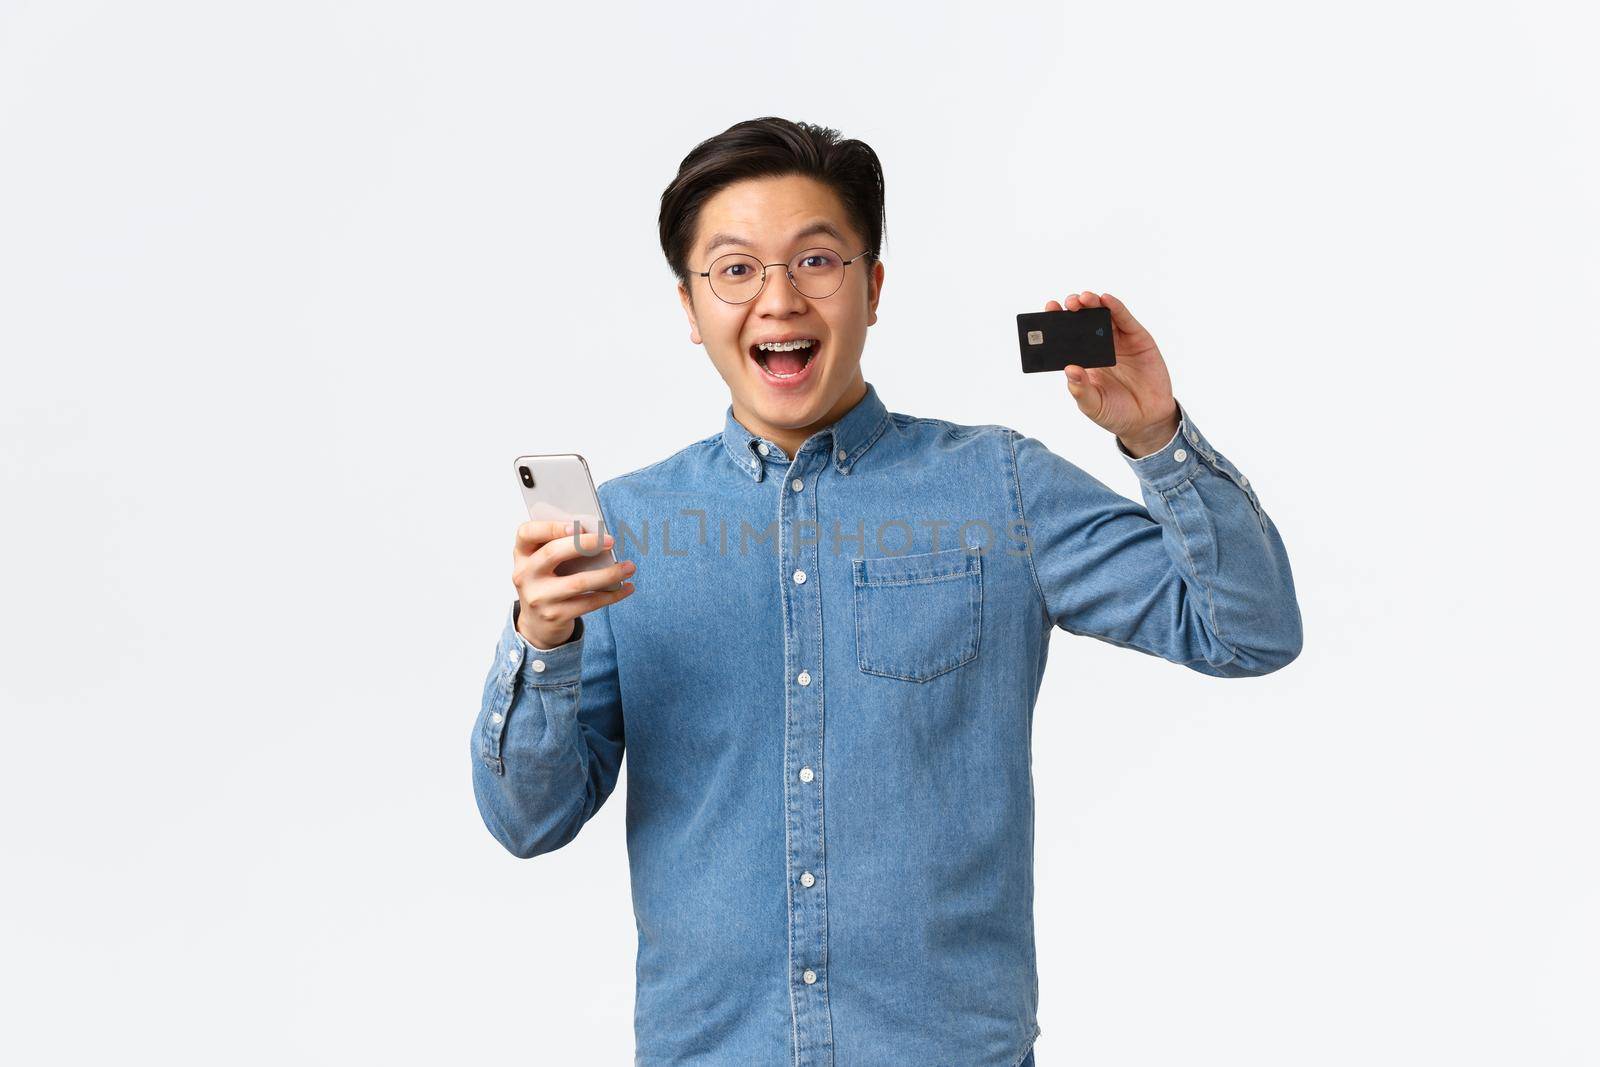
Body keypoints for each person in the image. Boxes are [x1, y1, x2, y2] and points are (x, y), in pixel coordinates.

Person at [471, 116, 1302, 1066]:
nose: (778, 299)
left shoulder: (999, 488)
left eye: (816, 261)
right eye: (735, 270)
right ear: (690, 306)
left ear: (871, 287)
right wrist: (543, 639)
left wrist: (1157, 437)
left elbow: (1249, 631)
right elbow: (527, 821)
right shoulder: (623, 532)